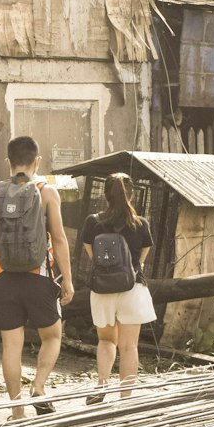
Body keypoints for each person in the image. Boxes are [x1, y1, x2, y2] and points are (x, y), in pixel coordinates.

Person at [0, 134, 74, 420]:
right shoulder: (47, 192)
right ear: (37, 161)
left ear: (8, 162)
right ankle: (38, 386)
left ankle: (16, 410)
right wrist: (69, 280)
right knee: (52, 336)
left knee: (11, 346)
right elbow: (60, 239)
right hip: (38, 278)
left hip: (3, 279)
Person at [81, 172, 155, 403]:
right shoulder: (141, 224)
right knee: (129, 346)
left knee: (105, 340)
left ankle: (101, 385)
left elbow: (92, 256)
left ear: (105, 194)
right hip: (132, 289)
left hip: (103, 290)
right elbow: (141, 260)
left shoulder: (93, 222)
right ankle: (125, 398)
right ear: (132, 195)